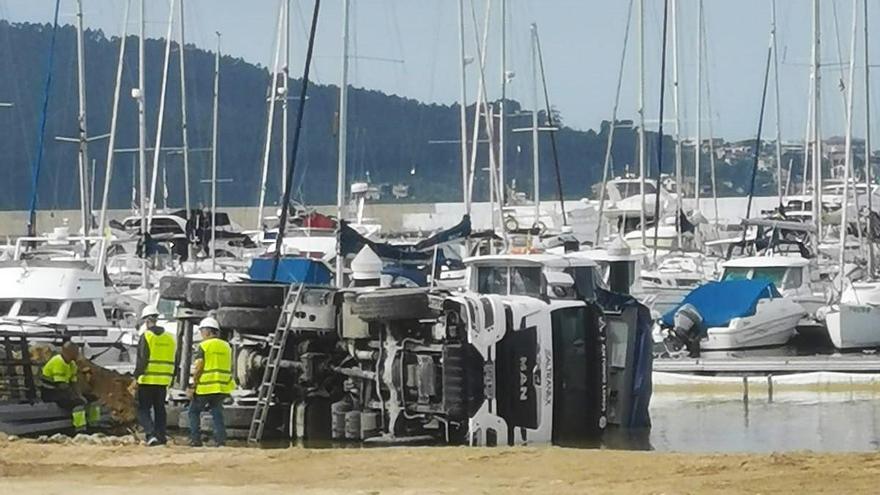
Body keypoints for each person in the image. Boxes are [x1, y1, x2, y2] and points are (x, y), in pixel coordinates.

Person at [134, 304, 176, 446]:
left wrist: (135, 377)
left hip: (147, 379)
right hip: (163, 380)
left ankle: (151, 435)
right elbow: (175, 359)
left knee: (143, 409)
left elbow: (142, 359)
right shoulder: (170, 338)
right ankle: (161, 436)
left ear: (146, 320)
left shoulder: (146, 336)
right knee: (160, 409)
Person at [188, 317, 233, 447]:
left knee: (193, 411)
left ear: (207, 331)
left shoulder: (204, 346)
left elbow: (199, 367)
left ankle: (195, 439)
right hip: (221, 387)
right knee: (217, 413)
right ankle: (221, 440)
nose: (201, 334)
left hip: (205, 387)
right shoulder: (226, 346)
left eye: (202, 331)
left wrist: (192, 385)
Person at [40, 342, 100, 431]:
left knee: (93, 399)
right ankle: (81, 429)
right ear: (68, 352)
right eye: (75, 352)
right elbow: (62, 385)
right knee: (78, 403)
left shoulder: (72, 364)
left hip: (63, 390)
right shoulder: (58, 362)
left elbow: (74, 383)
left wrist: (80, 394)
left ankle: (94, 426)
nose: (77, 354)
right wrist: (77, 397)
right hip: (52, 392)